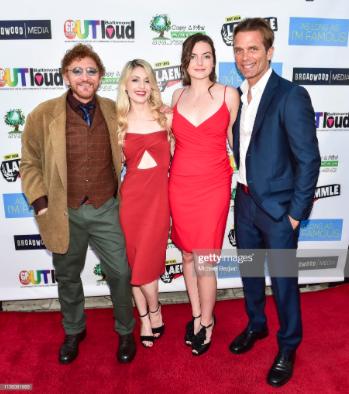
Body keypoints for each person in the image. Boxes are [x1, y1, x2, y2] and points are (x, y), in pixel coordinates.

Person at [20, 43, 136, 365]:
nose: (85, 77)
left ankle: (126, 330)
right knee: (68, 276)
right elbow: (28, 162)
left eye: (91, 71)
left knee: (121, 272)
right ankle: (74, 330)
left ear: (99, 77)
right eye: (77, 71)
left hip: (105, 208)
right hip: (63, 211)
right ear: (66, 76)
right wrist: (41, 202)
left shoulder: (115, 111)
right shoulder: (43, 115)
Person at [229, 18, 321, 387]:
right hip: (246, 202)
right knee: (251, 272)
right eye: (238, 49)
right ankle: (256, 325)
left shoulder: (290, 95)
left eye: (253, 48)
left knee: (283, 281)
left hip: (280, 211)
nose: (244, 56)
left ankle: (288, 345)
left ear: (269, 51)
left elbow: (308, 159)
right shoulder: (237, 95)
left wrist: (296, 214)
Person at [169, 33, 240, 355]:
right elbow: (170, 145)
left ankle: (208, 322)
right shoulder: (175, 97)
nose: (200, 62)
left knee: (205, 259)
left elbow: (238, 143)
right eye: (194, 56)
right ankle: (196, 315)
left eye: (206, 55)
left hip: (213, 185)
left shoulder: (228, 95)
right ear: (185, 61)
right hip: (180, 184)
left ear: (214, 60)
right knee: (185, 254)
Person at [116, 59, 172, 348]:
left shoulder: (166, 117)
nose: (140, 86)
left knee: (147, 268)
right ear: (125, 84)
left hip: (159, 204)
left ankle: (154, 309)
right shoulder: (118, 124)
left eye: (146, 80)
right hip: (131, 205)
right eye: (134, 79)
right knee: (134, 267)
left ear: (152, 85)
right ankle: (147, 318)